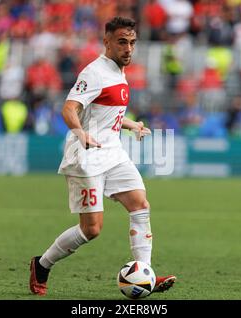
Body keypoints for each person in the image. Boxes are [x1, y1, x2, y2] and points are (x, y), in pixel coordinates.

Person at [29, 16, 176, 296]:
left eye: (132, 42)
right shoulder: (94, 72)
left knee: (140, 203)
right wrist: (79, 132)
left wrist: (131, 125)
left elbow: (104, 114)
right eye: (122, 42)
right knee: (91, 230)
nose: (128, 48)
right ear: (106, 41)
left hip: (112, 151)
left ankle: (145, 274)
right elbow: (69, 108)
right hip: (87, 155)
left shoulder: (118, 71)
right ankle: (42, 264)